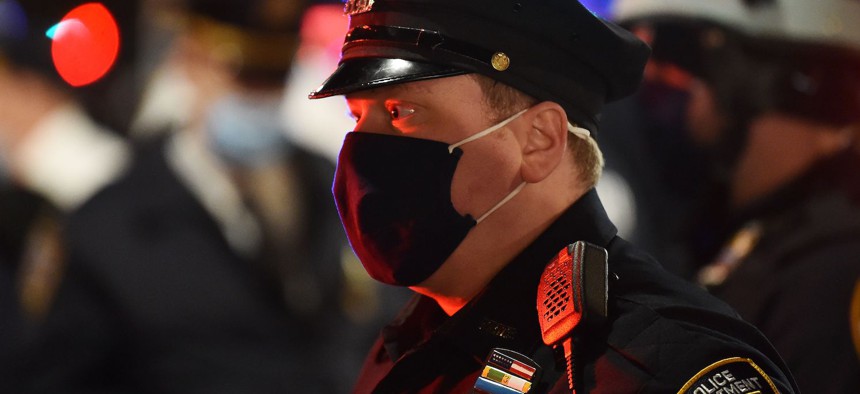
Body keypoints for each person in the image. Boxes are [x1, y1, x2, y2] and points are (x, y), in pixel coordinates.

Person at [308, 0, 799, 392]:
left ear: (539, 139)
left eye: (402, 112)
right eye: (357, 117)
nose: (359, 149)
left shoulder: (660, 369)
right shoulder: (413, 340)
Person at [13, 0, 360, 392]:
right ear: (189, 60)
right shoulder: (110, 225)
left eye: (274, 77)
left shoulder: (327, 182)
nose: (259, 96)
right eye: (241, 75)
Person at [614, 0, 860, 392]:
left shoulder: (833, 273)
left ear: (766, 81)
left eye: (692, 68)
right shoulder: (760, 237)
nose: (679, 100)